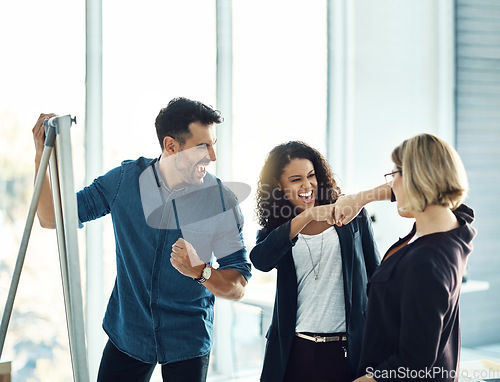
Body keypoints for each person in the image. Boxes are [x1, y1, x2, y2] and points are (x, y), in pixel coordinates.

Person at [31, 97, 252, 382]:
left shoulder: (220, 201)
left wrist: (201, 271)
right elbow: (51, 218)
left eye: (213, 144)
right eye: (202, 146)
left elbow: (238, 286)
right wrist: (41, 155)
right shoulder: (123, 182)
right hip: (129, 333)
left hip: (188, 341)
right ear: (170, 145)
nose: (212, 156)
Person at [334, 134, 476, 382]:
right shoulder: (454, 227)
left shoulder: (427, 262)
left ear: (416, 179)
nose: (391, 186)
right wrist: (359, 199)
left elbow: (414, 361)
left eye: (394, 176)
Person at [249, 141, 380, 382]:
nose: (307, 185)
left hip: (347, 348)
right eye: (296, 179)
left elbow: (376, 276)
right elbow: (260, 261)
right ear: (279, 185)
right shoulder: (278, 228)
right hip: (295, 350)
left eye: (311, 176)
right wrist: (307, 216)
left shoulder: (351, 215)